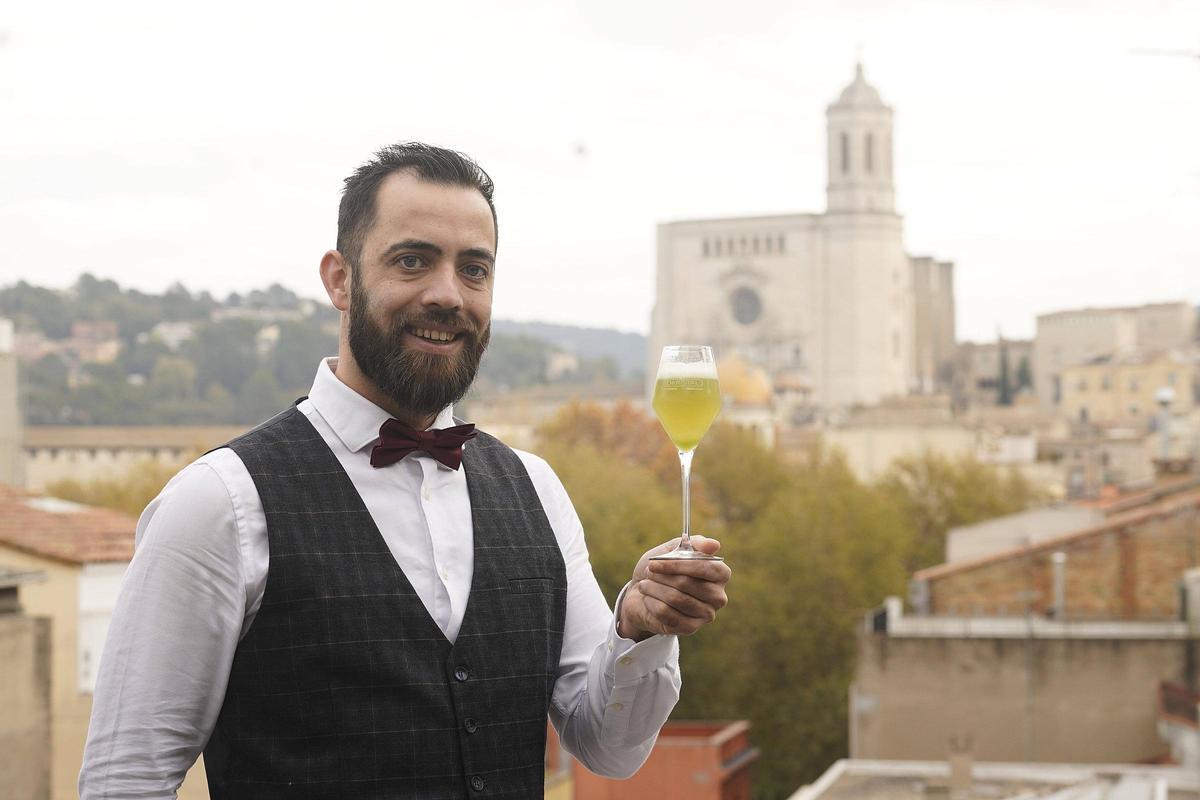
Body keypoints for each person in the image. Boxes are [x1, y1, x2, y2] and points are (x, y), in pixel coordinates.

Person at [78, 142, 731, 799]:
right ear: (340, 279)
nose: (448, 295)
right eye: (413, 260)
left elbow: (607, 749)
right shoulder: (219, 503)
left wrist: (638, 631)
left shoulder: (536, 490)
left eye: (474, 270)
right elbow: (125, 779)